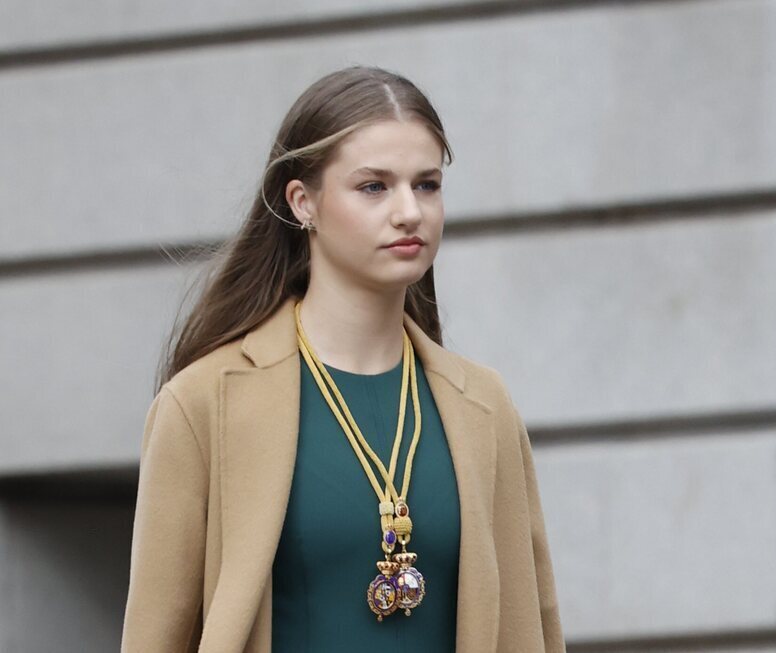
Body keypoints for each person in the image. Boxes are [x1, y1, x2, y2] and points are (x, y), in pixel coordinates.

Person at [121, 65, 565, 653]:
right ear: (303, 202)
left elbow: (530, 629)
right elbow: (156, 636)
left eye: (426, 184)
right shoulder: (205, 403)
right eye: (374, 187)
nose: (409, 210)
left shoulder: (483, 406)